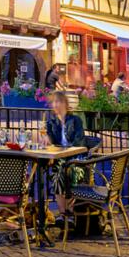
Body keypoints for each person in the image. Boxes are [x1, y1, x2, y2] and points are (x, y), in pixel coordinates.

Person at [45, 91, 86, 223]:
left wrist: (65, 151)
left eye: (58, 102)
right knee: (58, 174)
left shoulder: (75, 120)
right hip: (61, 160)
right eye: (54, 102)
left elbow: (79, 142)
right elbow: (52, 142)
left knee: (64, 173)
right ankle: (65, 214)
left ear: (65, 104)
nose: (55, 105)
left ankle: (68, 212)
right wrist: (46, 138)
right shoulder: (52, 122)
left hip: (76, 159)